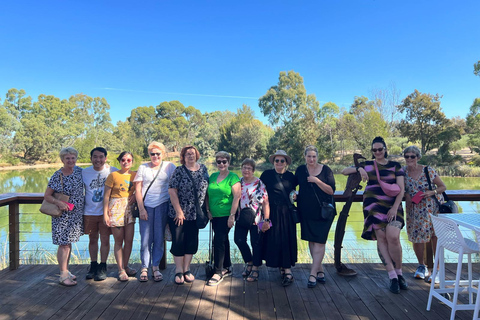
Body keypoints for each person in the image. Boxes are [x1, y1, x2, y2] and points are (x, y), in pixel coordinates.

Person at [342, 136, 407, 294]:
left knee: (393, 236)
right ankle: (392, 276)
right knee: (382, 238)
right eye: (374, 150)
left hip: (393, 206)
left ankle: (399, 272)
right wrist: (359, 169)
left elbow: (402, 189)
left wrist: (395, 207)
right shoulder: (368, 164)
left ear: (385, 149)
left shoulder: (396, 166)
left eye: (380, 149)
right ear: (372, 152)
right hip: (373, 206)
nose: (377, 152)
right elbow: (344, 171)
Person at [403, 145, 447, 283]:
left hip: (432, 209)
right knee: (417, 238)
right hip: (414, 210)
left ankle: (437, 269)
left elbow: (442, 187)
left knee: (435, 237)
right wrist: (406, 195)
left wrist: (431, 192)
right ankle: (421, 266)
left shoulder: (428, 170)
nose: (409, 159)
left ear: (418, 157)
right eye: (407, 156)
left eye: (412, 156)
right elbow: (400, 188)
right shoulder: (402, 172)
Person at [134, 142, 176, 282]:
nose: (155, 156)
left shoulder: (169, 166)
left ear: (162, 154)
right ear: (149, 154)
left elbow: (176, 185)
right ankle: (144, 267)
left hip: (163, 206)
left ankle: (155, 267)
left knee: (159, 238)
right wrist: (141, 209)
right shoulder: (143, 167)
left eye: (158, 153)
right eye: (152, 154)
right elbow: (138, 190)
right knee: (146, 239)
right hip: (146, 207)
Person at [295, 145, 336, 288]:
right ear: (304, 156)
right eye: (309, 156)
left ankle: (312, 274)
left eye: (314, 156)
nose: (311, 159)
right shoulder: (300, 170)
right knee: (312, 242)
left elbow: (331, 191)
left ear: (317, 156)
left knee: (320, 242)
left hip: (324, 213)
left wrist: (316, 180)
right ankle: (319, 269)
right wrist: (292, 194)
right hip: (306, 212)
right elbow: (293, 186)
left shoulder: (326, 170)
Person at [168, 146, 209, 285]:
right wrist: (179, 211)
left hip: (195, 213)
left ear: (197, 155)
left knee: (191, 241)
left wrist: (207, 210)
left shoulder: (203, 169)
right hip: (178, 213)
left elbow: (208, 190)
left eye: (193, 153)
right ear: (183, 157)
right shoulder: (179, 170)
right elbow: (172, 191)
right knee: (178, 241)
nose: (190, 156)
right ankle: (178, 270)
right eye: (187, 154)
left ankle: (187, 269)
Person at [43, 147, 84, 286]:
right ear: (62, 160)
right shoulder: (57, 175)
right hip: (62, 215)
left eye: (73, 158)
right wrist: (58, 202)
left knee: (69, 242)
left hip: (75, 214)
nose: (71, 160)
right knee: (64, 244)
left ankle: (66, 270)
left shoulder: (79, 172)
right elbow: (47, 195)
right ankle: (62, 275)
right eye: (67, 158)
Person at [260, 150, 298, 286]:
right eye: (277, 160)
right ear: (273, 162)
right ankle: (277, 265)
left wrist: (295, 195)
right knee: (272, 238)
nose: (279, 163)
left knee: (286, 239)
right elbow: (259, 190)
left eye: (282, 161)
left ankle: (287, 270)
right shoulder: (266, 175)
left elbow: (296, 190)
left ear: (286, 163)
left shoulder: (291, 177)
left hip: (286, 213)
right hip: (270, 212)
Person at [82, 147, 118, 281]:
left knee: (105, 239)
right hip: (89, 211)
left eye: (101, 157)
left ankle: (103, 266)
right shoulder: (84, 172)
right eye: (95, 157)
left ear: (106, 158)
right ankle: (93, 265)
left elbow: (128, 175)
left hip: (106, 213)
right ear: (91, 158)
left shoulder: (112, 170)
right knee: (92, 239)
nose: (98, 160)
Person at [206, 151, 241, 286]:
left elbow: (237, 197)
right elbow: (208, 195)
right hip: (214, 215)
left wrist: (232, 216)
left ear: (229, 163)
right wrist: (208, 210)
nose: (221, 164)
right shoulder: (213, 176)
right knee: (223, 239)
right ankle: (227, 266)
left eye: (224, 161)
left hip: (227, 214)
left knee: (218, 240)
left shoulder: (233, 177)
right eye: (219, 161)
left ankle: (218, 271)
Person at [234, 158, 270, 282]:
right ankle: (249, 261)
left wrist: (266, 220)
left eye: (249, 168)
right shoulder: (238, 182)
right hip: (241, 217)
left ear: (253, 170)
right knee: (238, 240)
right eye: (244, 167)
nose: (246, 170)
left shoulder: (260, 183)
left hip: (257, 219)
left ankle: (255, 267)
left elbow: (266, 203)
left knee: (256, 243)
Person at [103, 151, 136, 281]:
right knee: (119, 240)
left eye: (128, 160)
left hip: (129, 209)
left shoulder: (135, 175)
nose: (126, 162)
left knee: (129, 240)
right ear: (119, 161)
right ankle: (120, 269)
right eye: (123, 160)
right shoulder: (113, 175)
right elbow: (106, 196)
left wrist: (134, 195)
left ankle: (126, 265)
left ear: (132, 161)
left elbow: (141, 190)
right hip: (115, 208)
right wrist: (105, 213)